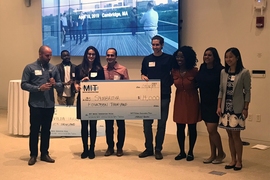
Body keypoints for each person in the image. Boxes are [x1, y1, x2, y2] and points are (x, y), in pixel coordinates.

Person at [21, 45, 62, 166]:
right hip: (36, 104)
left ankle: (44, 153)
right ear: (40, 54)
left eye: (50, 55)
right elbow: (23, 84)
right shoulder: (30, 67)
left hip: (49, 104)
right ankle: (33, 155)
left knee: (46, 130)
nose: (49, 57)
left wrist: (55, 84)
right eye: (47, 55)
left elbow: (60, 85)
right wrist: (39, 88)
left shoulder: (53, 68)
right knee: (34, 130)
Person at [139, 35, 173, 160]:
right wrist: (143, 77)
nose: (155, 47)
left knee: (161, 124)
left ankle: (158, 149)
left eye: (157, 45)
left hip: (164, 95)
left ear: (162, 45)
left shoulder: (169, 59)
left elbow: (173, 74)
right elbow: (143, 73)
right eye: (153, 45)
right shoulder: (147, 59)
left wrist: (167, 83)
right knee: (147, 124)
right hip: (149, 97)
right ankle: (148, 148)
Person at [217, 47, 251, 171]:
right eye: (226, 57)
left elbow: (247, 91)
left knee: (236, 135)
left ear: (237, 58)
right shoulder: (223, 72)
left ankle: (239, 161)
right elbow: (221, 90)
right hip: (225, 108)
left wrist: (246, 108)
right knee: (229, 135)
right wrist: (219, 106)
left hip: (237, 108)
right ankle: (232, 159)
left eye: (231, 57)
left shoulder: (244, 72)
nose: (228, 59)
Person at [74, 46, 105, 159]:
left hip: (94, 101)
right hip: (82, 101)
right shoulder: (79, 68)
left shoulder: (99, 69)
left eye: (93, 54)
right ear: (86, 55)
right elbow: (75, 83)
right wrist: (78, 84)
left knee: (93, 125)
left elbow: (102, 86)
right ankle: (85, 149)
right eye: (89, 54)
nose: (91, 56)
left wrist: (91, 83)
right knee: (83, 126)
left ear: (96, 56)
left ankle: (92, 149)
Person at [196, 47, 226, 164]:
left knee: (212, 129)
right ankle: (213, 154)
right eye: (205, 55)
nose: (206, 57)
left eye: (209, 55)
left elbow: (222, 88)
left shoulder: (220, 69)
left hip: (215, 103)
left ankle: (221, 153)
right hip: (204, 102)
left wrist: (219, 105)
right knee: (210, 131)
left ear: (215, 57)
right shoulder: (203, 67)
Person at [171, 46, 201, 161]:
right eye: (178, 56)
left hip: (192, 99)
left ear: (188, 58)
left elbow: (200, 84)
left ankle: (190, 152)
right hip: (179, 100)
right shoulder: (173, 70)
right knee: (180, 126)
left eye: (182, 57)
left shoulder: (194, 71)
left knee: (192, 126)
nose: (179, 59)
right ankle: (182, 151)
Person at [103, 48, 129, 157]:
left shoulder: (123, 69)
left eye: (112, 55)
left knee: (121, 126)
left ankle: (119, 147)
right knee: (108, 126)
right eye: (108, 55)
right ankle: (110, 147)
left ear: (116, 57)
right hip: (107, 103)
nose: (109, 57)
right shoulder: (102, 69)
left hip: (119, 103)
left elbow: (128, 86)